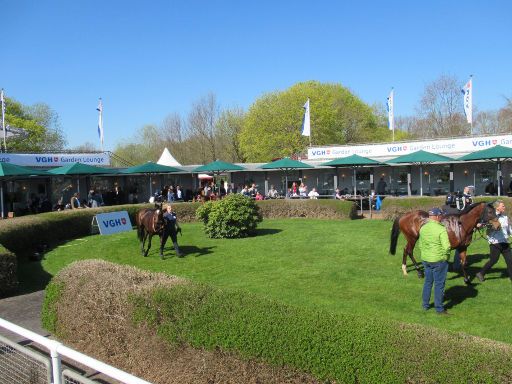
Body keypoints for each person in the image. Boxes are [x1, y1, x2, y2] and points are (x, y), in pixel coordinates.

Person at [419, 207, 451, 315]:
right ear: (437, 216)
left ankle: (425, 305)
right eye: (441, 215)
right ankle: (439, 309)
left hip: (426, 259)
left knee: (428, 282)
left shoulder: (423, 228)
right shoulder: (441, 229)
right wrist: (446, 257)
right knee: (439, 284)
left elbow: (420, 245)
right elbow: (447, 247)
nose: (442, 217)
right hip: (438, 260)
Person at [475, 200, 512, 283]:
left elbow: (509, 230)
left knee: (510, 260)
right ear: (497, 207)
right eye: (502, 206)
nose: (504, 207)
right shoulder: (490, 217)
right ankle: (481, 273)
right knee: (494, 260)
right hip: (495, 242)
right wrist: (480, 225)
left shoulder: (505, 217)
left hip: (505, 242)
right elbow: (480, 226)